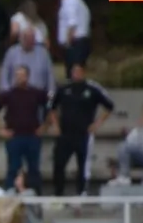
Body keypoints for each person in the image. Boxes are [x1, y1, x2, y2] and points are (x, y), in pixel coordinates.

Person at [47, 64, 114, 196]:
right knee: (59, 163)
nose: (76, 74)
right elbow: (52, 107)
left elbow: (109, 106)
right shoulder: (63, 88)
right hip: (65, 133)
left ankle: (81, 192)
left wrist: (97, 124)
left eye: (79, 71)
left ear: (84, 72)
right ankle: (58, 194)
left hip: (84, 134)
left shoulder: (92, 88)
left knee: (83, 165)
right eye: (74, 71)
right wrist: (55, 125)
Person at [0, 65, 49, 191]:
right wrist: (1, 129)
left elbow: (52, 108)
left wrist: (45, 126)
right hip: (14, 136)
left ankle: (36, 194)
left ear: (28, 76)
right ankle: (10, 192)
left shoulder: (36, 93)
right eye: (18, 75)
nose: (20, 78)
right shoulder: (8, 94)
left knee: (34, 169)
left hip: (32, 135)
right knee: (13, 168)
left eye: (22, 75)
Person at [110, 102, 143, 186]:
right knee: (122, 146)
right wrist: (139, 129)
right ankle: (124, 177)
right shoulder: (140, 128)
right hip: (139, 157)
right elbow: (129, 143)